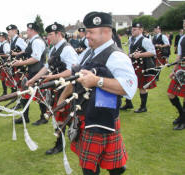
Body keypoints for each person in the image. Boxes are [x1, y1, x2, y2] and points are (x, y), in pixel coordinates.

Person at [58, 11, 137, 175]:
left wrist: (97, 81)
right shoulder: (88, 52)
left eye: (91, 32)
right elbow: (75, 77)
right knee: (96, 163)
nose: (86, 35)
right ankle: (118, 168)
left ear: (107, 32)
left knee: (90, 168)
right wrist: (62, 97)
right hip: (86, 114)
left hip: (103, 117)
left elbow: (129, 87)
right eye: (86, 31)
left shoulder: (116, 56)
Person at [26, 22, 78, 154]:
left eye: (50, 34)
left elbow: (73, 71)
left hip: (66, 88)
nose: (47, 37)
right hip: (56, 87)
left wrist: (53, 77)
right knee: (57, 116)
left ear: (59, 34)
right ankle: (61, 143)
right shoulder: (54, 48)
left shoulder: (67, 49)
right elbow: (47, 67)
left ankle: (60, 145)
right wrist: (33, 80)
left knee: (63, 117)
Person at [12, 22, 47, 124]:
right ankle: (25, 117)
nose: (26, 31)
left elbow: (36, 58)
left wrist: (21, 63)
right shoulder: (32, 41)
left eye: (28, 30)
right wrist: (19, 54)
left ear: (32, 31)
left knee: (40, 96)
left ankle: (43, 117)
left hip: (38, 72)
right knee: (25, 95)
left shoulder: (37, 42)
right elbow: (28, 52)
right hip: (31, 71)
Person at [120, 23, 156, 113]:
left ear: (141, 30)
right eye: (132, 29)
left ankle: (143, 107)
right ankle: (128, 103)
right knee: (127, 83)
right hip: (132, 65)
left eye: (135, 29)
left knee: (142, 86)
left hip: (142, 66)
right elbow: (130, 52)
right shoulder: (131, 40)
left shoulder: (145, 40)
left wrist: (140, 54)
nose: (132, 31)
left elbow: (152, 52)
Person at [167, 31, 185, 130]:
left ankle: (183, 120)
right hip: (181, 68)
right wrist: (174, 70)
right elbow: (179, 55)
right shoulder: (182, 38)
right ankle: (182, 115)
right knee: (170, 93)